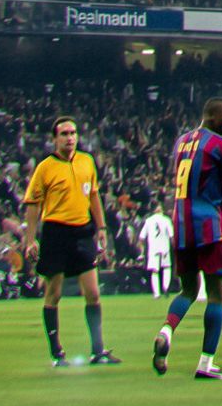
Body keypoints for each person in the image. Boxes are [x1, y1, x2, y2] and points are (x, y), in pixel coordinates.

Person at [151, 97, 222, 380]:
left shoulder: (181, 141)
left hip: (182, 225)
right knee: (217, 294)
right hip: (210, 226)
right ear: (215, 117)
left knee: (188, 291)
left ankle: (166, 330)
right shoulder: (219, 144)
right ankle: (206, 362)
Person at [22, 116, 120, 367]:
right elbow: (33, 203)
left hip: (82, 232)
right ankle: (56, 353)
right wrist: (30, 239)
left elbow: (94, 196)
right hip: (56, 233)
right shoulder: (46, 167)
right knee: (53, 294)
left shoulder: (87, 161)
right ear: (54, 139)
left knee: (94, 294)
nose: (70, 138)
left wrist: (101, 227)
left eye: (73, 133)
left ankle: (97, 351)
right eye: (64, 134)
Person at [138, 202, 174, 299]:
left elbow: (141, 237)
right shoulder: (166, 220)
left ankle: (157, 293)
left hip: (153, 249)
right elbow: (171, 236)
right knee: (166, 267)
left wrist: (142, 250)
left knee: (155, 271)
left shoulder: (148, 221)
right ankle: (165, 288)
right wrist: (174, 247)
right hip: (165, 248)